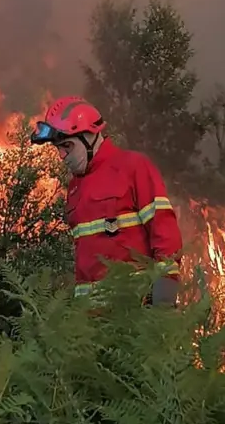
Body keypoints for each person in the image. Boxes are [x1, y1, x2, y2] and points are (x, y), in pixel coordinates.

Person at [30, 96, 182, 305]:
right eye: (58, 148)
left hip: (135, 316)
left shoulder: (133, 167)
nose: (62, 156)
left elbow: (165, 233)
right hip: (91, 325)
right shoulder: (74, 188)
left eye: (67, 146)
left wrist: (164, 296)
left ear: (89, 136)